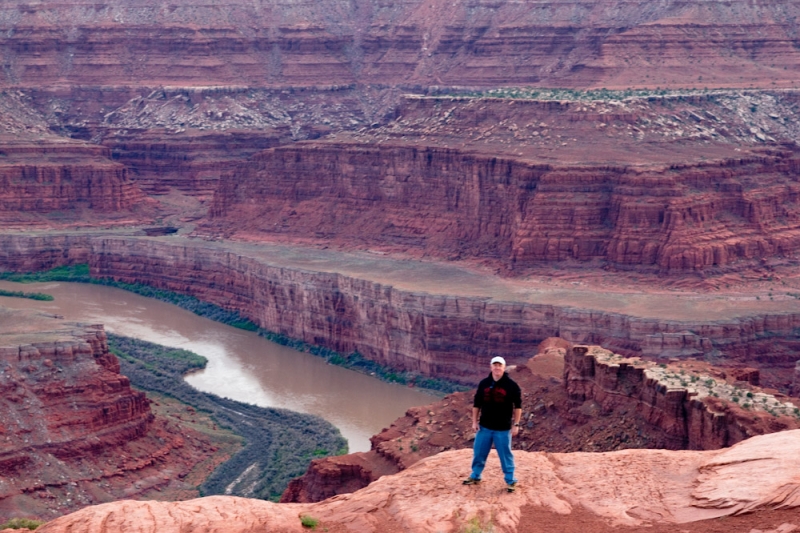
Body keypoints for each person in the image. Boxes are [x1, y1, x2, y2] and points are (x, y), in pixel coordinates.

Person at [462, 356, 522, 493]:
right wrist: (474, 422)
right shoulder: (484, 383)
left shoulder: (511, 385)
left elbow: (518, 406)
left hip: (503, 428)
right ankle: (475, 476)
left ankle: (511, 480)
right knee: (479, 453)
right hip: (484, 427)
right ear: (491, 367)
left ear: (504, 367)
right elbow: (477, 404)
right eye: (494, 365)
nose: (497, 368)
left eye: (499, 365)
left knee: (505, 455)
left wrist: (516, 424)